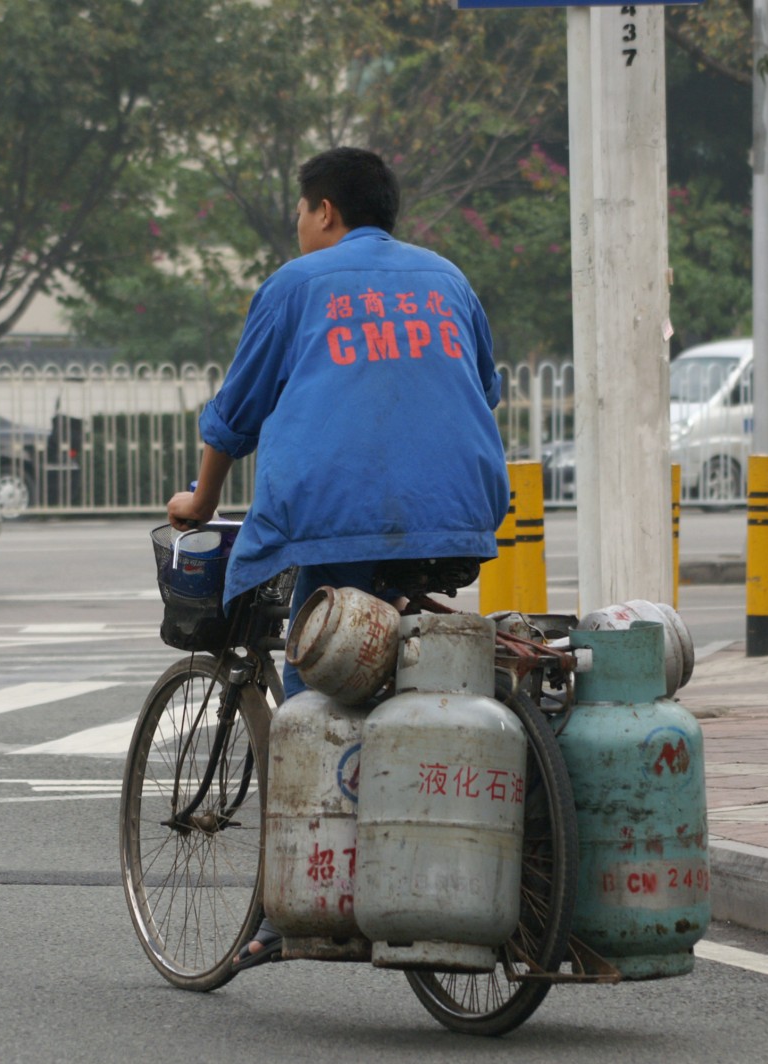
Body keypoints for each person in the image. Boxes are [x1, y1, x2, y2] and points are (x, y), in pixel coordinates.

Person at [165, 146, 510, 969]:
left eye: (300, 211)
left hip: (339, 519)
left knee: (315, 671)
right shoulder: (448, 279)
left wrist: (201, 502)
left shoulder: (296, 284)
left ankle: (301, 905)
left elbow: (233, 415)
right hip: (458, 513)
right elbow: (483, 389)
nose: (299, 225)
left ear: (324, 212)